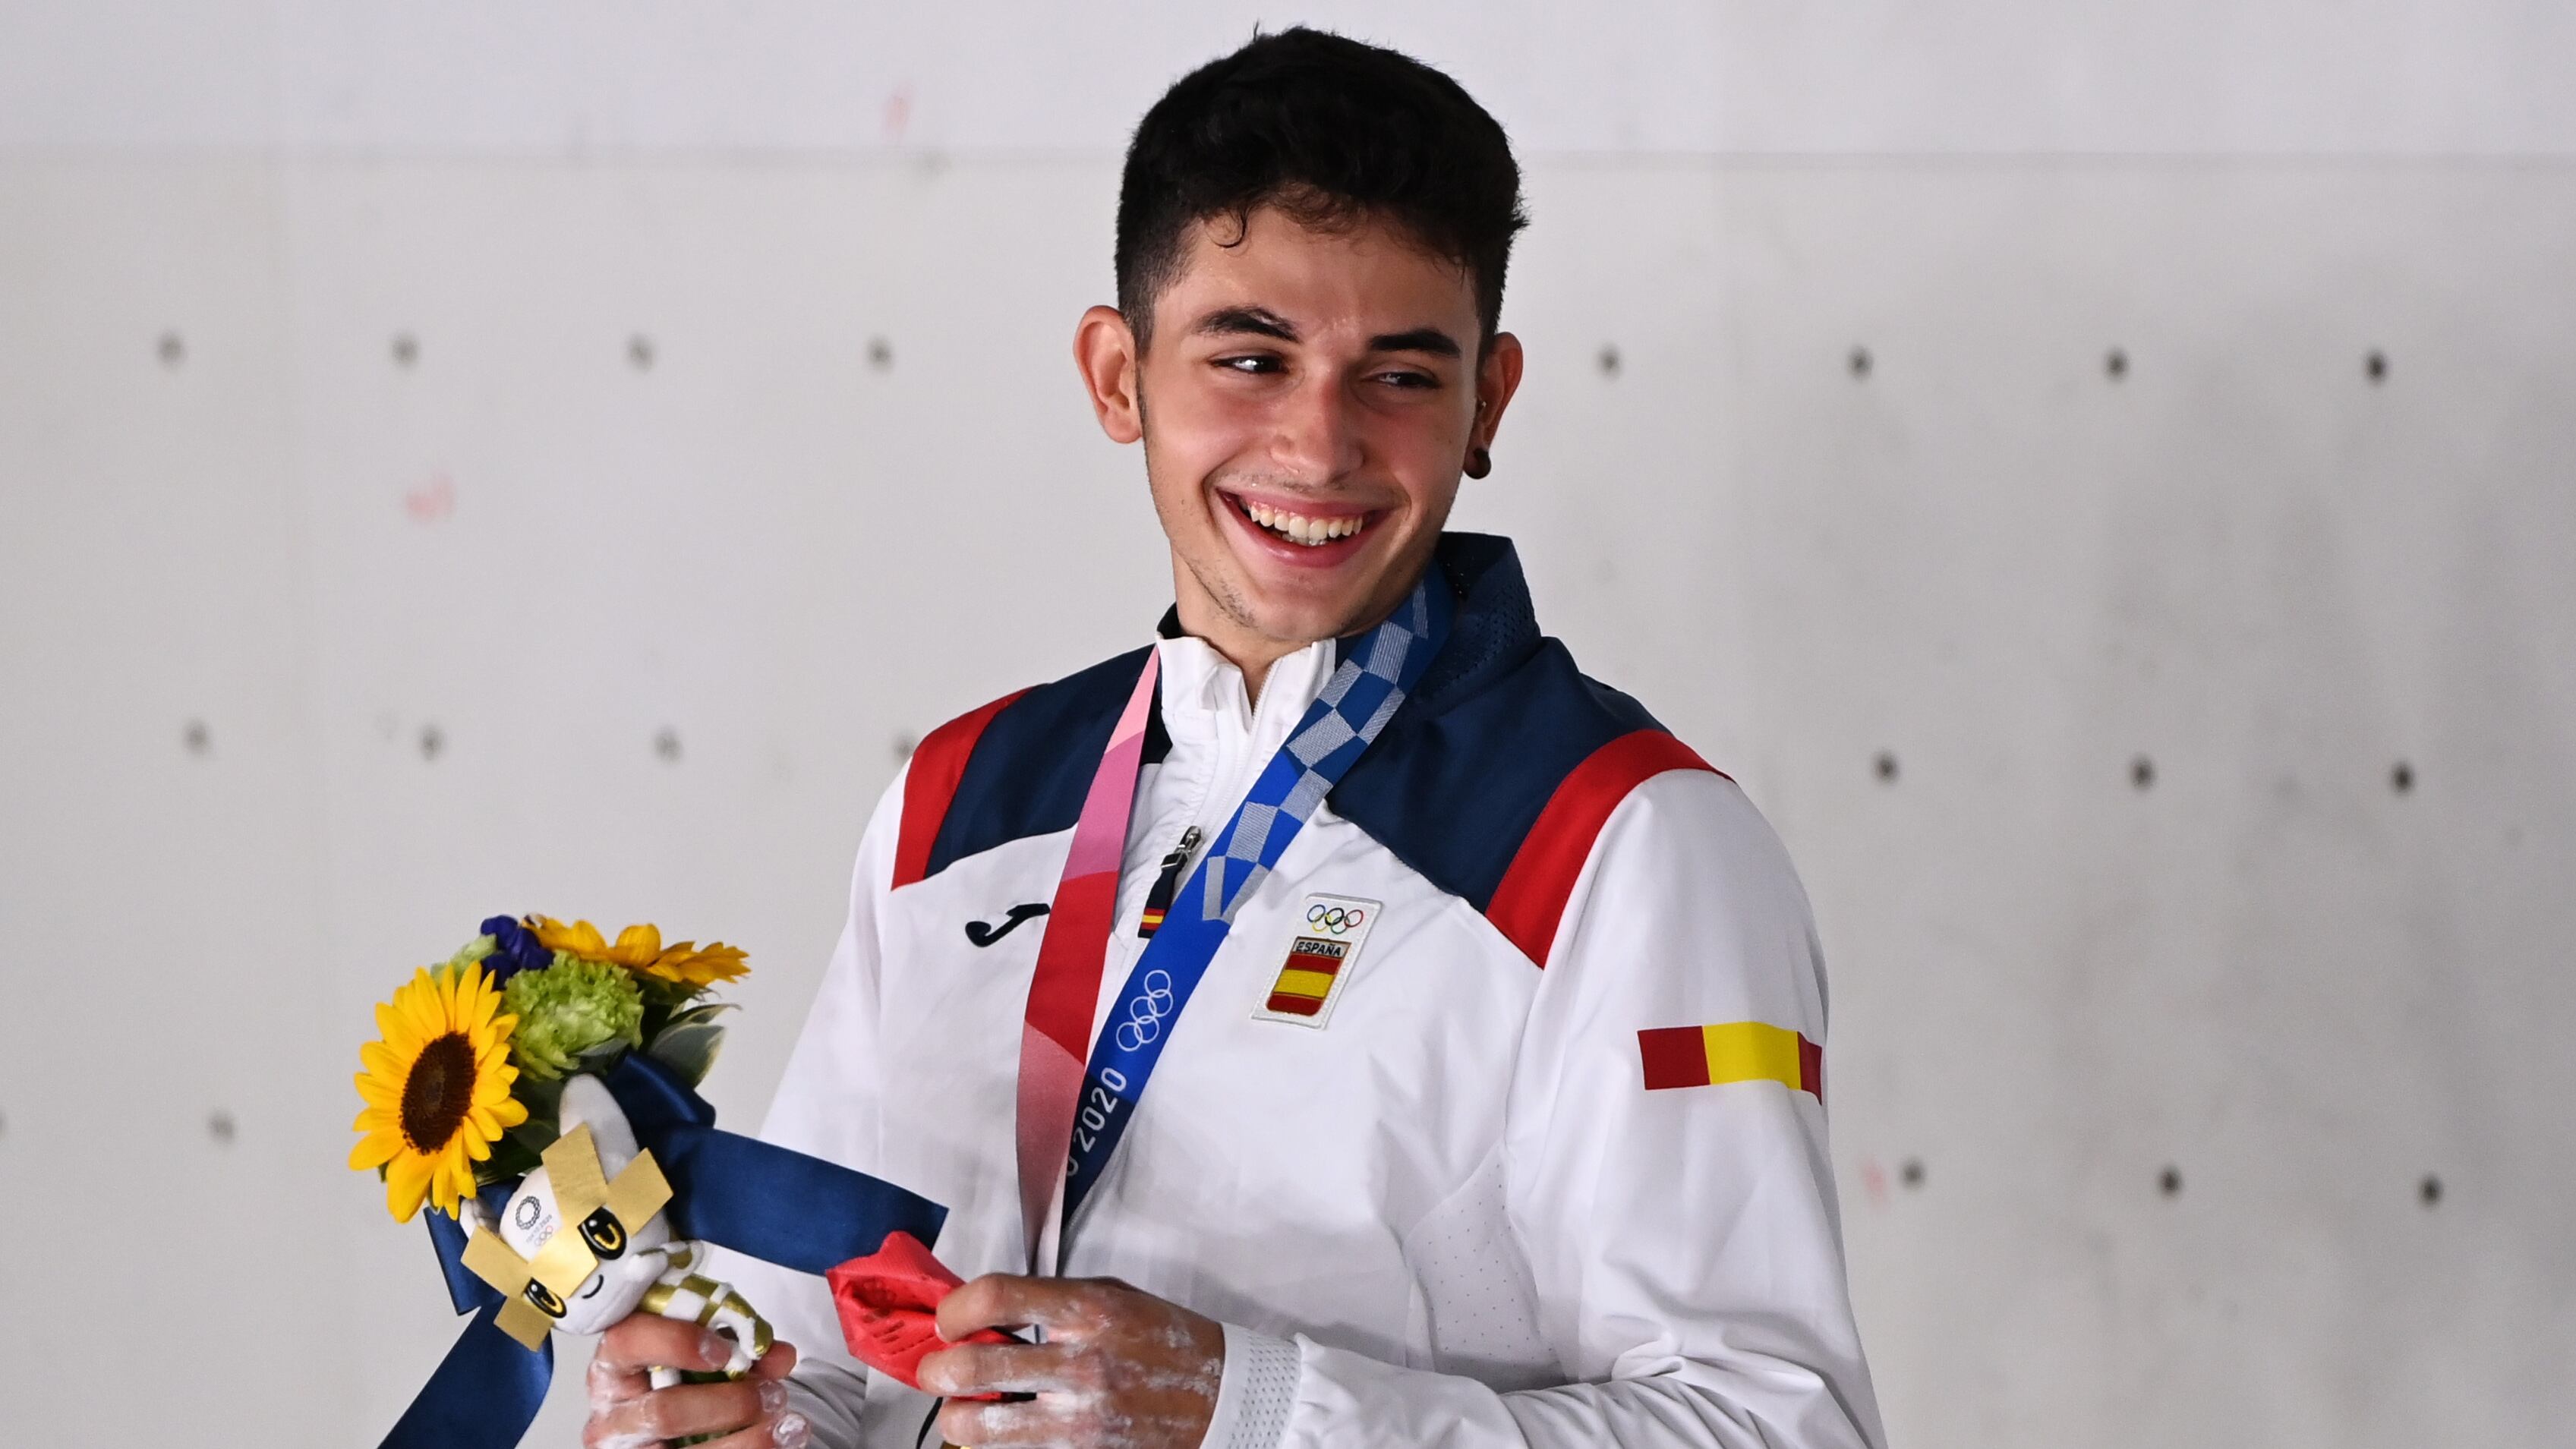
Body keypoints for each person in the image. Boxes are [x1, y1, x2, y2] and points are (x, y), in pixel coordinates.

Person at [582, 27, 1884, 1449]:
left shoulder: (1626, 839)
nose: (1319, 448)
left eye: (1398, 374)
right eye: (1250, 357)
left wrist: (1253, 1407)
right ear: (1116, 375)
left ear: (1487, 402)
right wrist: (746, 1425)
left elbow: (1777, 1428)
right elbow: (829, 1356)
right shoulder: (956, 798)